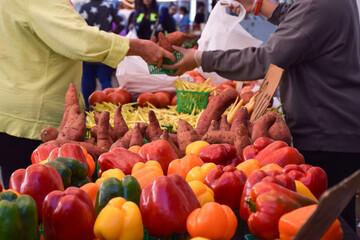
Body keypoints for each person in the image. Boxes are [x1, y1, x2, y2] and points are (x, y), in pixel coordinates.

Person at [164, 0, 360, 233]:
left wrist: (199, 59)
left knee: (331, 226)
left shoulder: (317, 4)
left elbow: (264, 59)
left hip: (327, 134)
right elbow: (296, 16)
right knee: (332, 221)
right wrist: (256, 5)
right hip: (337, 127)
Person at [0, 0, 175, 189]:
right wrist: (137, 47)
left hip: (11, 110)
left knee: (19, 196)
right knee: (37, 199)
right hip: (36, 120)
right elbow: (80, 40)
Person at [79, 0, 125, 109]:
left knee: (87, 82)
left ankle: (87, 109)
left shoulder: (85, 7)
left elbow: (78, 29)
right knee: (106, 82)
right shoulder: (110, 6)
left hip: (88, 50)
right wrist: (110, 36)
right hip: (105, 50)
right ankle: (110, 108)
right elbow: (122, 24)